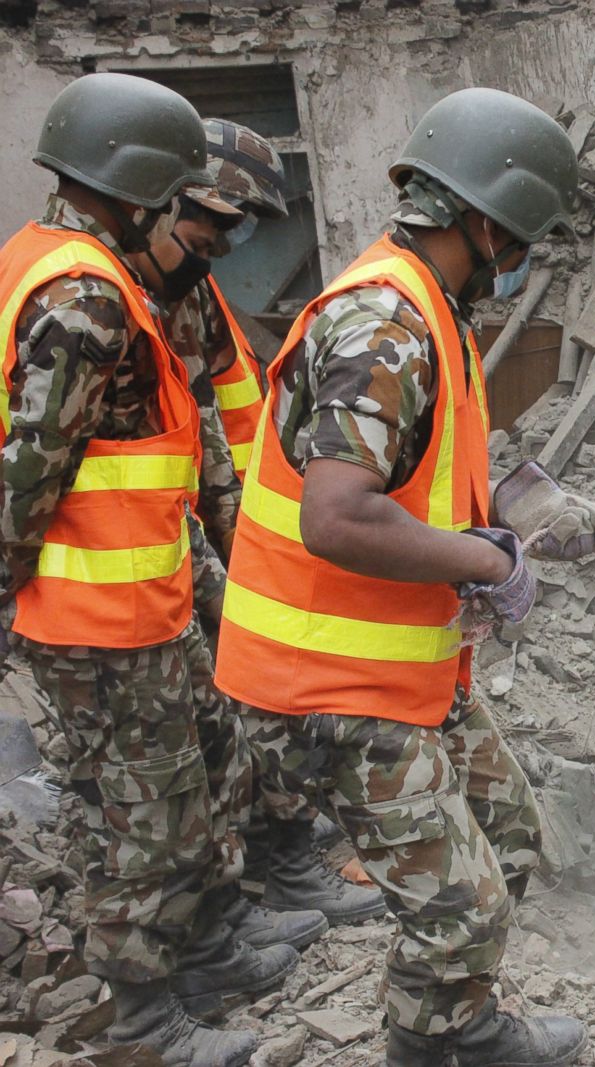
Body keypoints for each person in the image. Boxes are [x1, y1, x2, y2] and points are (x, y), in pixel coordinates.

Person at [211, 88, 591, 1066]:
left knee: (507, 831)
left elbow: (412, 482)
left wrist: (504, 511)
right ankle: (437, 1047)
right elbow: (337, 513)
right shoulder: (384, 319)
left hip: (399, 663)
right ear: (482, 221)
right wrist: (484, 558)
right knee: (458, 900)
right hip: (327, 681)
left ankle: (457, 1018)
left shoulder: (433, 310)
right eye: (523, 237)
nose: (523, 256)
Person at [0, 72, 297, 1067]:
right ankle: (143, 1027)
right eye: (182, 198)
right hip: (95, 618)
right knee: (150, 826)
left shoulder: (88, 272)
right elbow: (27, 478)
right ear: (133, 190)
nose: (197, 222)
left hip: (142, 599)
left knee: (201, 772)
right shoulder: (84, 297)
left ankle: (207, 948)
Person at [132, 117, 385, 934]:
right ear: (163, 201)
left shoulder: (189, 293)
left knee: (250, 691)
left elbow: (217, 421)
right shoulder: (114, 297)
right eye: (210, 217)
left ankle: (273, 856)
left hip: (221, 524)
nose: (220, 239)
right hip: (154, 547)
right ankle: (259, 868)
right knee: (228, 702)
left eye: (235, 226)